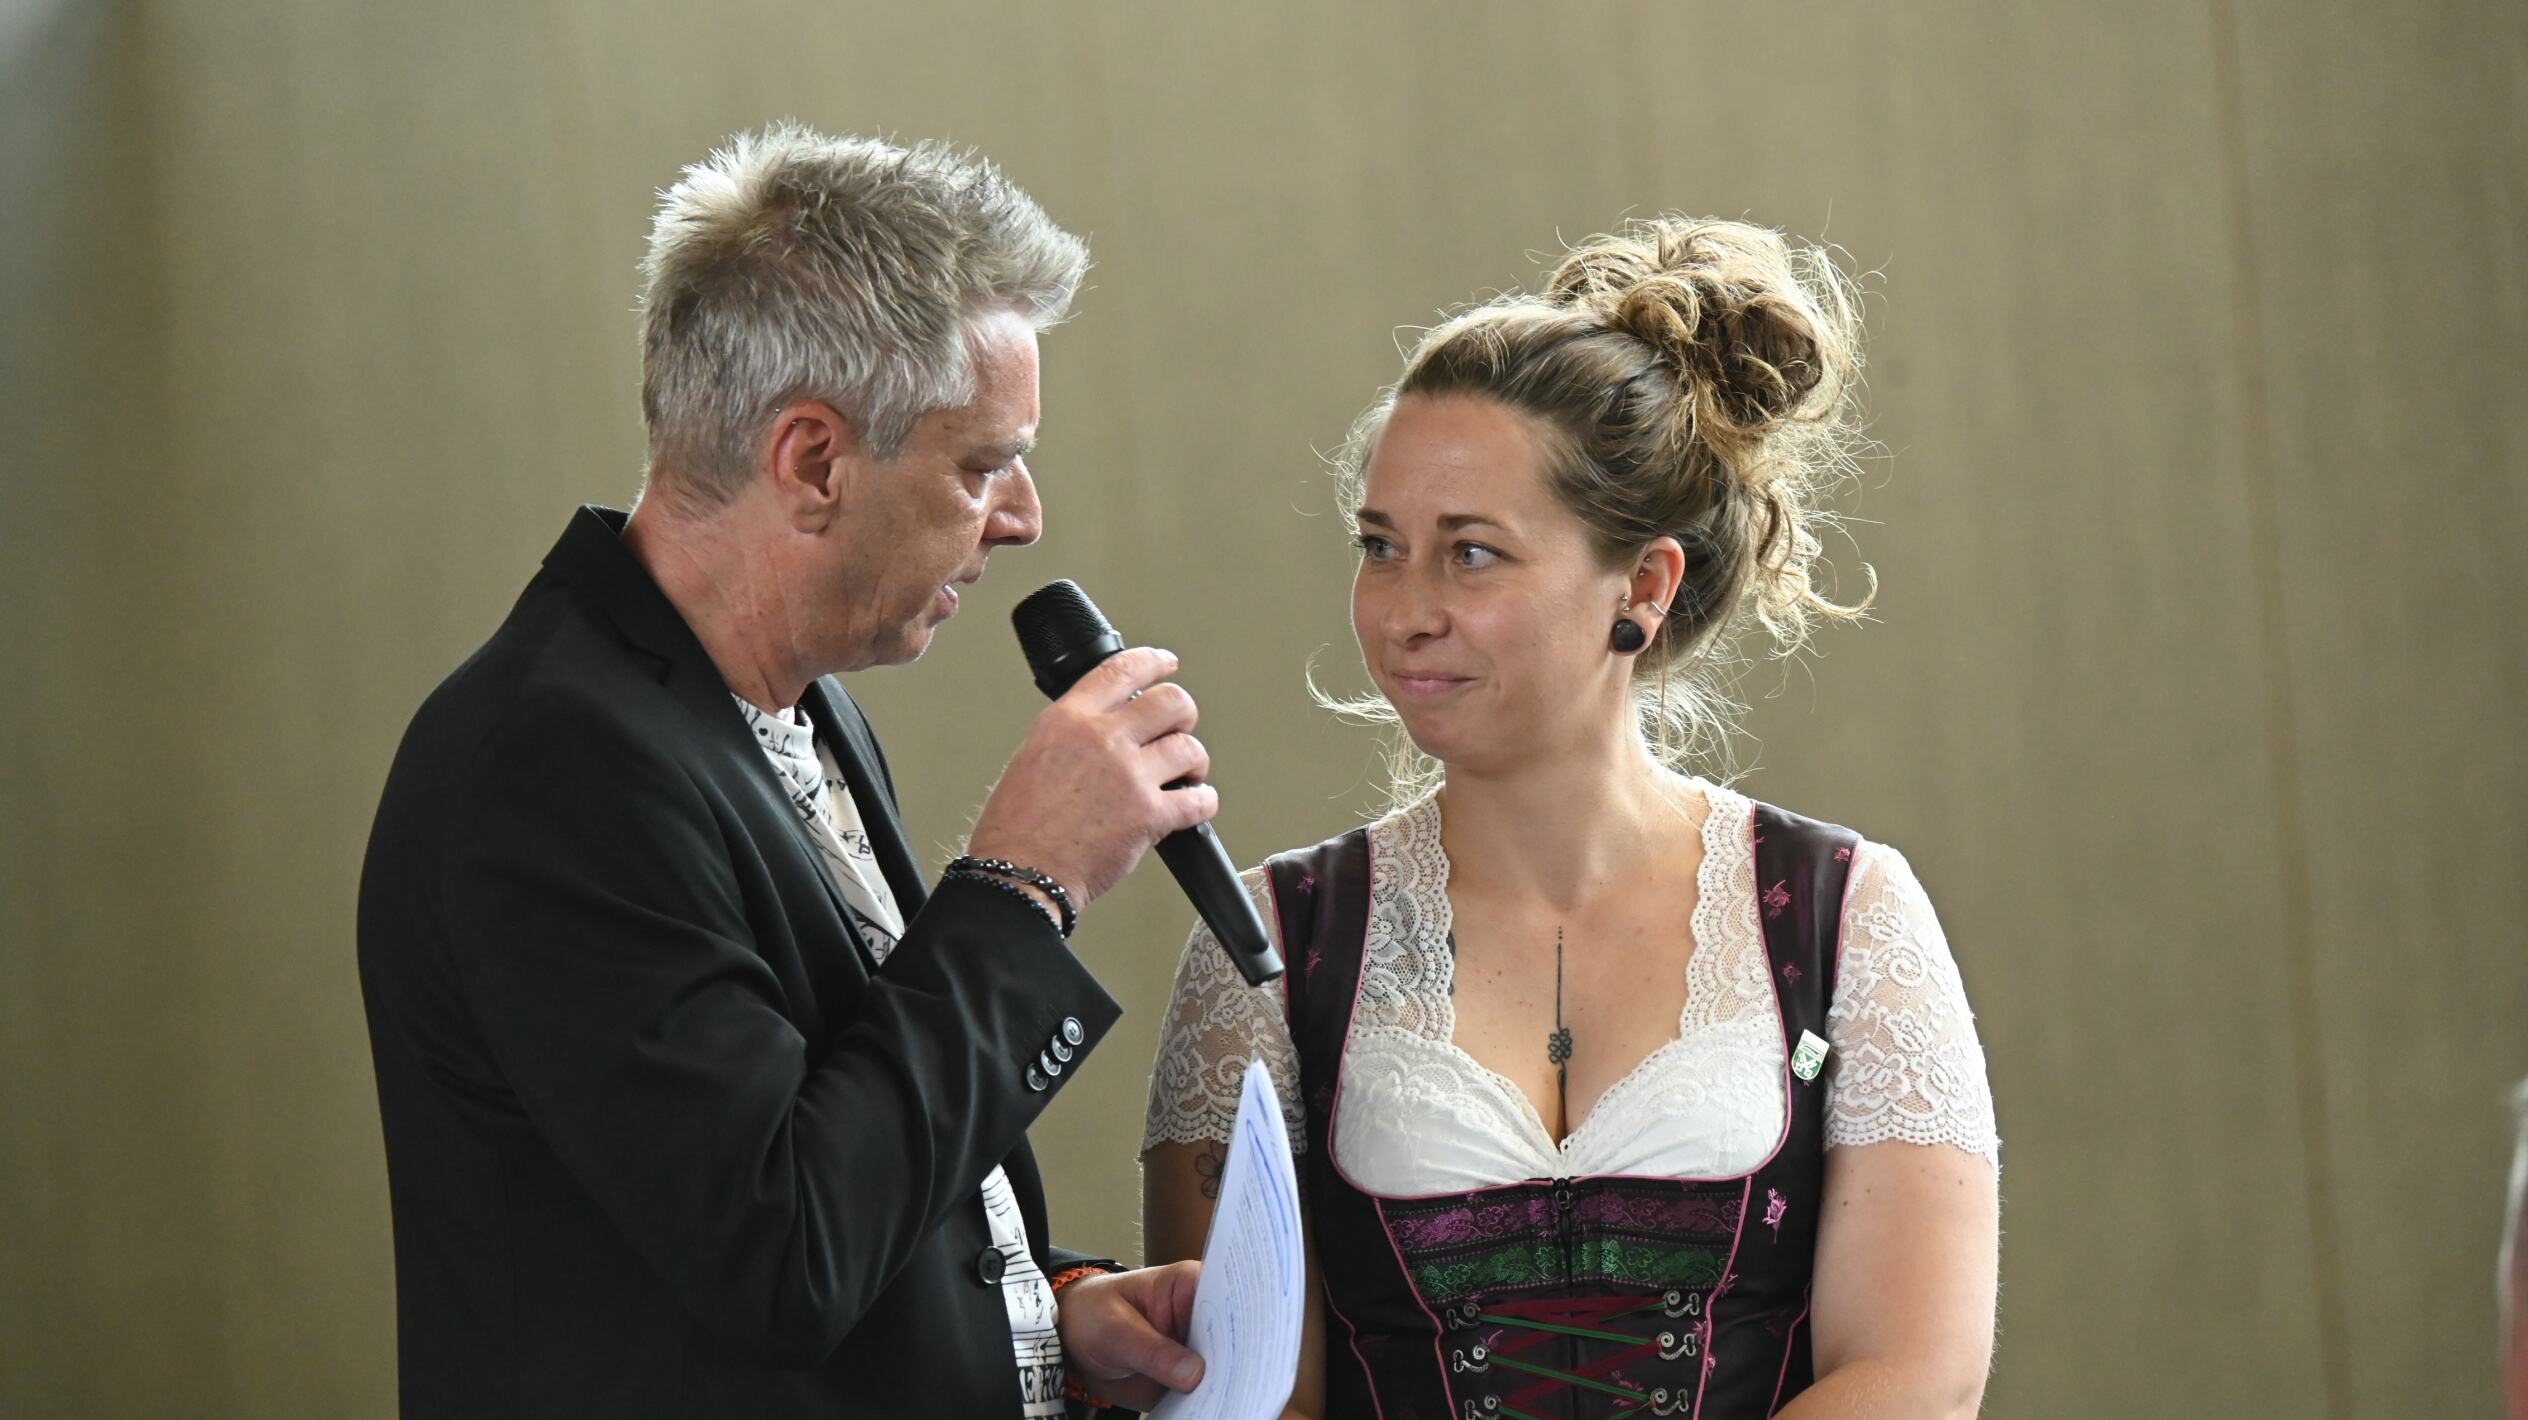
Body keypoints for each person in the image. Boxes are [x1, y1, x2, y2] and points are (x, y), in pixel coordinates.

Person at [359, 125, 1211, 1418]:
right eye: (982, 464)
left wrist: (1041, 1314)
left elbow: (840, 1151)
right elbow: (781, 1251)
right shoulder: (549, 764)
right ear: (813, 460)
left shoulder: (793, 708)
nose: (1023, 516)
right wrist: (1022, 885)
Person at [1142, 218, 2000, 1417]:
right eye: (1380, 548)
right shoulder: (1265, 945)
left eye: (1470, 554)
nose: (1404, 611)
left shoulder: (1843, 910)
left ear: (1641, 585)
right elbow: (1241, 1396)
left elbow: (1913, 1375)